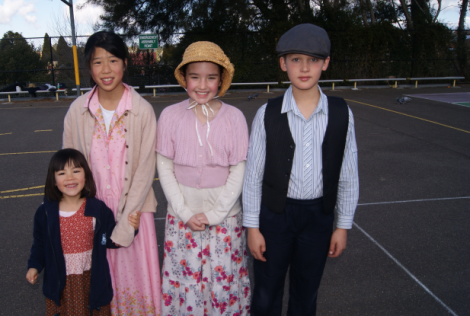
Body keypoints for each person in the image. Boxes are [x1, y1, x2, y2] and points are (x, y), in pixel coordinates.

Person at [243, 23, 359, 316]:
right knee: (267, 292)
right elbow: (253, 175)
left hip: (318, 218)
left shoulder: (342, 113)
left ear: (326, 64)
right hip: (274, 218)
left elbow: (348, 173)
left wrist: (342, 226)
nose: (304, 67)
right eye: (296, 59)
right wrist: (253, 227)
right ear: (283, 64)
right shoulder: (266, 113)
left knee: (306, 293)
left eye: (313, 60)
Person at [62, 31, 161, 315]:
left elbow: (144, 170)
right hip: (91, 212)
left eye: (113, 60)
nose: (106, 70)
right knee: (95, 285)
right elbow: (70, 169)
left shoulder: (141, 110)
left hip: (133, 210)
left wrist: (127, 224)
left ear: (125, 62)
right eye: (97, 62)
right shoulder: (77, 111)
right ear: (89, 67)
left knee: (134, 287)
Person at [156, 41, 251, 316]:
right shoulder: (170, 116)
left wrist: (217, 214)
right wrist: (184, 212)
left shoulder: (235, 118)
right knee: (185, 281)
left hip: (225, 220)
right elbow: (164, 166)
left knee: (222, 282)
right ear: (184, 78)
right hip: (182, 220)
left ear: (221, 80)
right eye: (194, 77)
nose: (202, 85)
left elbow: (238, 169)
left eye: (211, 77)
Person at [26, 148, 141, 316]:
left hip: (91, 280)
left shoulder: (98, 209)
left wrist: (132, 227)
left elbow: (111, 239)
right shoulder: (45, 212)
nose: (70, 177)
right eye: (62, 173)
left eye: (76, 171)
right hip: (60, 282)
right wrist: (34, 267)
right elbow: (40, 244)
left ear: (86, 176)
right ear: (53, 180)